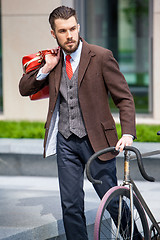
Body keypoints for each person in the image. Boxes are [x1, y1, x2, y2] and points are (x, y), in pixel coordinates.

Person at [19, 6, 137, 240]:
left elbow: (124, 97)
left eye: (73, 28)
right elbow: (25, 88)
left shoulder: (101, 56)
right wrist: (46, 68)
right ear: (54, 33)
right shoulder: (53, 60)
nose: (69, 35)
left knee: (112, 201)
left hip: (98, 142)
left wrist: (128, 133)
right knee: (70, 205)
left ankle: (135, 237)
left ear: (78, 27)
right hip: (66, 142)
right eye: (63, 31)